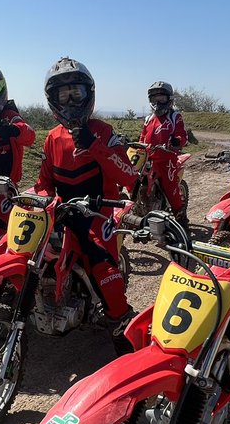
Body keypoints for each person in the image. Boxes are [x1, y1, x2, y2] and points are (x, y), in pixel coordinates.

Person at [34, 58, 138, 344]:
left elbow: (129, 176)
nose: (70, 101)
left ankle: (121, 322)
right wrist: (43, 199)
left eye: (76, 93)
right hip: (63, 213)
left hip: (99, 213)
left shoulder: (104, 131)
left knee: (101, 263)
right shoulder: (52, 138)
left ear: (88, 94)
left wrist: (94, 145)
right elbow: (43, 182)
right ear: (52, 100)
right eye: (62, 95)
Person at [137, 81, 189, 225]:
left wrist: (177, 141)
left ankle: (181, 217)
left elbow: (182, 135)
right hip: (148, 158)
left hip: (167, 159)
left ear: (169, 99)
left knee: (170, 186)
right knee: (132, 177)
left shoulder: (174, 117)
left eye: (161, 99)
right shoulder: (148, 119)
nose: (158, 102)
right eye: (155, 99)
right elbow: (142, 137)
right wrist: (137, 146)